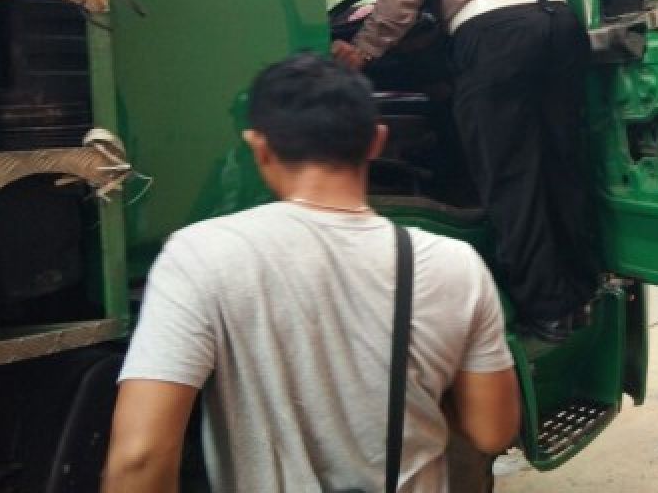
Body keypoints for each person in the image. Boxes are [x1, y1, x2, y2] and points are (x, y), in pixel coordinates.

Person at [102, 54, 520, 492]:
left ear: (258, 147)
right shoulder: (455, 264)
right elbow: (493, 431)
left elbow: (140, 458)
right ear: (377, 142)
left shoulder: (199, 255)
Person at [332, 0, 598, 342]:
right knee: (561, 166)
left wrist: (362, 48)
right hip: (557, 23)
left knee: (509, 174)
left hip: (495, 32)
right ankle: (580, 295)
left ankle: (544, 310)